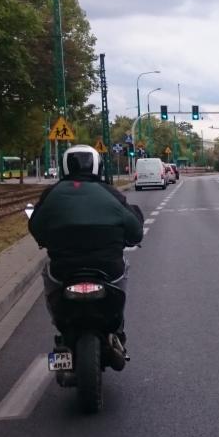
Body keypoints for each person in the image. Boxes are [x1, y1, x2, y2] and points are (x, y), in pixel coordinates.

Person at [28, 145, 143, 358]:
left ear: (64, 166)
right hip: (108, 269)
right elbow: (135, 231)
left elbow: (35, 227)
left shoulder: (51, 194)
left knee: (47, 273)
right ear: (98, 166)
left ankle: (59, 322)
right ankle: (117, 327)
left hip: (64, 270)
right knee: (124, 268)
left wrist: (45, 239)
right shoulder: (111, 193)